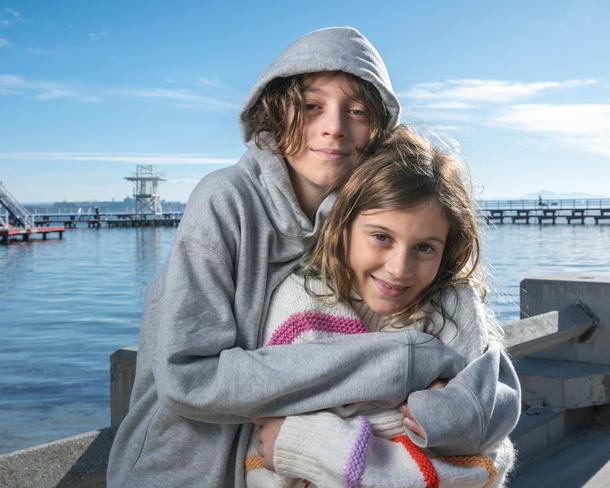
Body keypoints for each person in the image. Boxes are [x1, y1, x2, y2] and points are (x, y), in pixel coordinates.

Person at [107, 27, 481, 488]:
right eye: (311, 106)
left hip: (286, 465)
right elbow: (189, 377)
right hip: (184, 471)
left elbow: (478, 371)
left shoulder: (365, 217)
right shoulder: (224, 201)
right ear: (274, 110)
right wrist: (398, 362)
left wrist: (457, 404)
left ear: (378, 128)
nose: (334, 127)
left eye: (358, 111)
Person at [246, 126, 518, 488]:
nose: (398, 269)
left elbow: (487, 461)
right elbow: (267, 458)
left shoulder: (454, 306)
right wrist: (413, 432)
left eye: (425, 248)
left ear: (447, 249)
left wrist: (308, 442)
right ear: (342, 227)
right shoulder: (301, 305)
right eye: (381, 237)